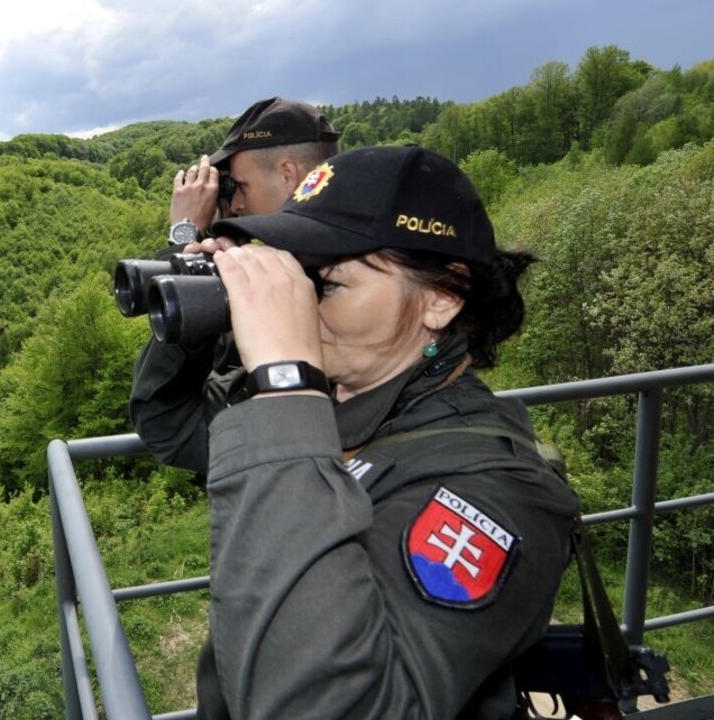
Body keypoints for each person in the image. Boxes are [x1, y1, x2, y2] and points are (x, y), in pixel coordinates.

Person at [134, 145, 581, 719]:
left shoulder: (500, 490)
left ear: (441, 299)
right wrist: (205, 319)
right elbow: (168, 424)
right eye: (295, 272)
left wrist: (284, 384)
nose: (300, 298)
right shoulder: (334, 404)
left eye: (328, 283)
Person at [167, 97, 340, 246]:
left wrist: (185, 232)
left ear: (287, 175)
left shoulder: (311, 267)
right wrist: (224, 232)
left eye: (242, 186)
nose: (235, 205)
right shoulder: (347, 244)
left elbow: (167, 285)